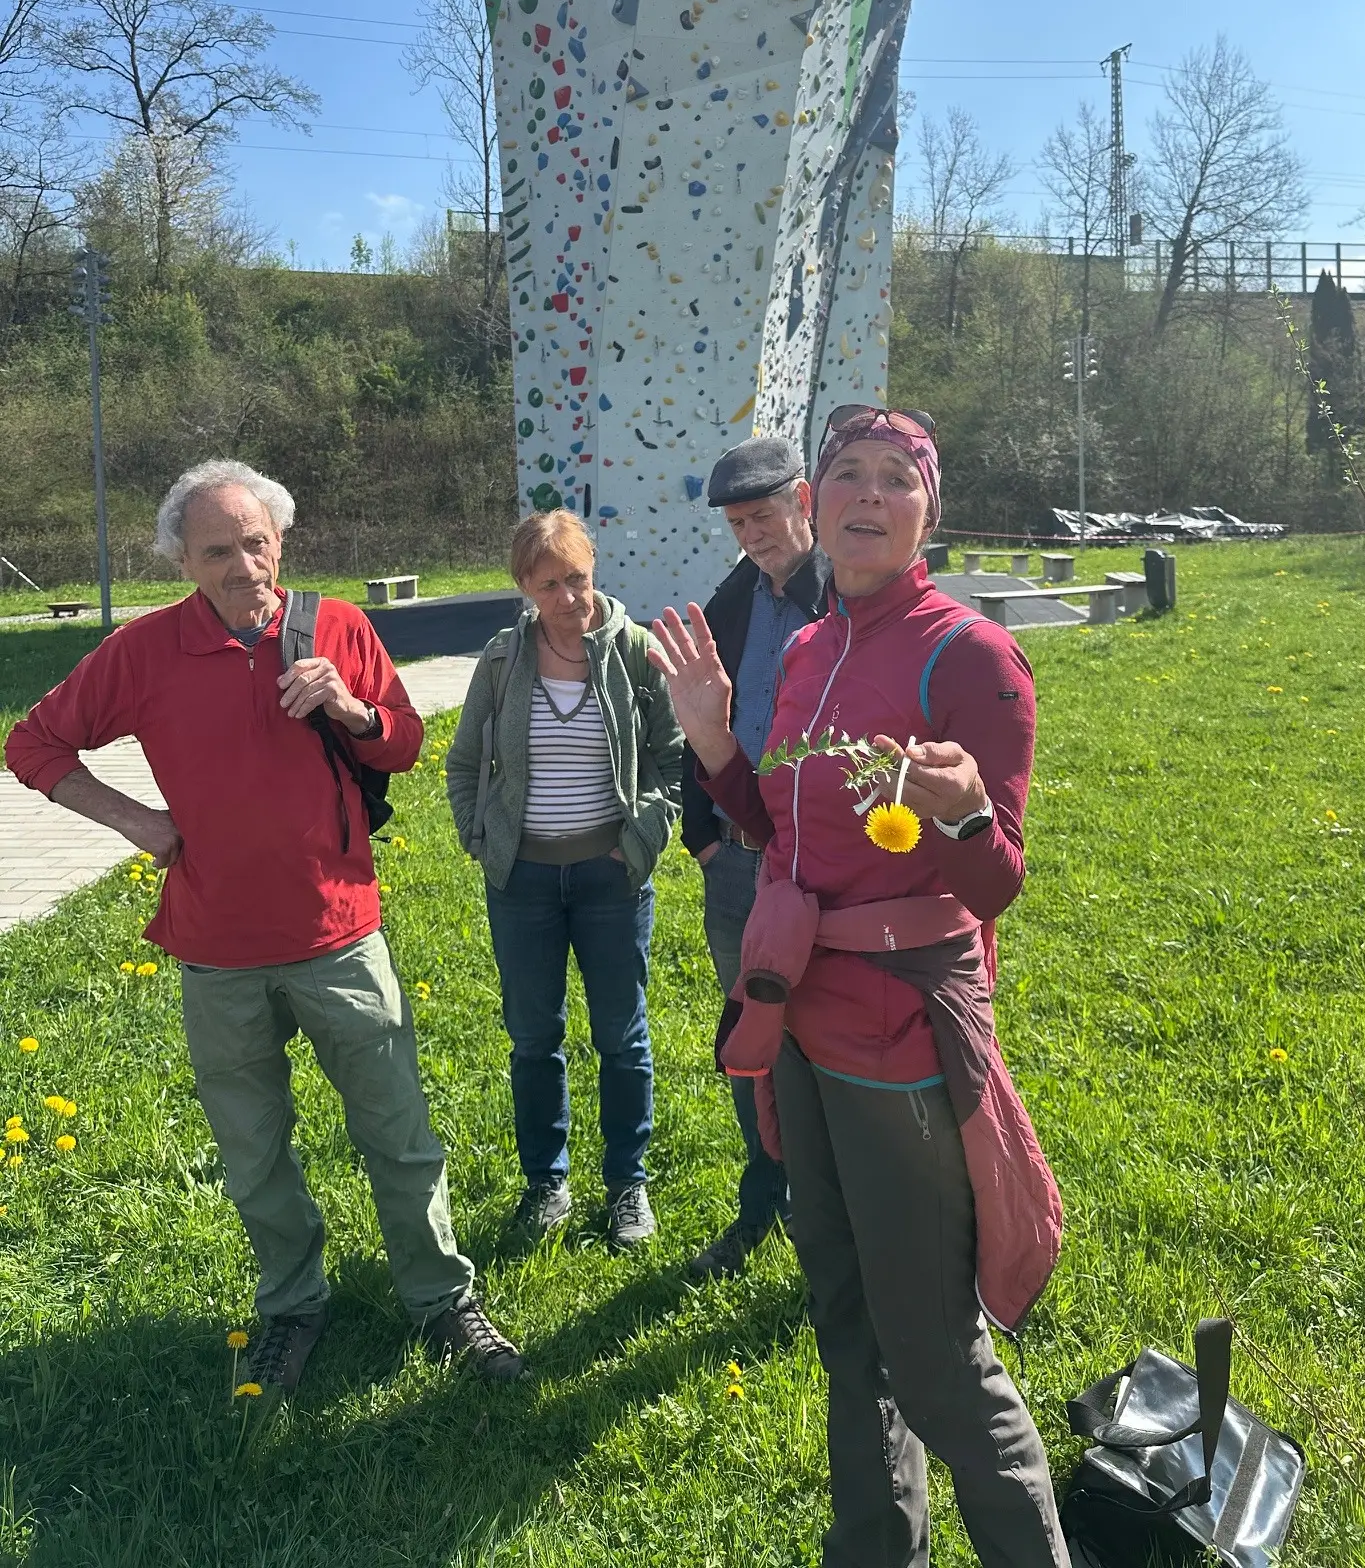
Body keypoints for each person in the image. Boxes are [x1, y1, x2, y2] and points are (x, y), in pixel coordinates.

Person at [650, 408, 1070, 1568]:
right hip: (798, 1015)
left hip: (900, 1031)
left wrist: (965, 813)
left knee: (936, 1357)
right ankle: (875, 1549)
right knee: (843, 1315)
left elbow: (997, 883)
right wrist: (712, 745)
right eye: (849, 476)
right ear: (813, 501)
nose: (869, 497)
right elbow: (773, 832)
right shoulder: (802, 651)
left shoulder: (970, 656)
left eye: (897, 480)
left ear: (929, 509)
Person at [3, 459, 522, 1392]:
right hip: (216, 948)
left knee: (399, 1135)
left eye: (256, 543)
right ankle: (291, 1305)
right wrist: (136, 822)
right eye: (218, 552)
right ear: (184, 565)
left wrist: (351, 706)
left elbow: (402, 742)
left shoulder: (336, 628)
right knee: (254, 1154)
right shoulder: (146, 651)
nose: (245, 566)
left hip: (340, 935)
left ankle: (442, 1300)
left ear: (279, 540)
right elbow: (32, 741)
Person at [445, 510, 683, 1251]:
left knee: (621, 1034)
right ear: (523, 587)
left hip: (612, 880)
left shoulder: (638, 653)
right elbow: (461, 763)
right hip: (521, 883)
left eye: (576, 578)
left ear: (594, 568)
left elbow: (673, 761)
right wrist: (480, 837)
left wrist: (640, 841)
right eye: (549, 584)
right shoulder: (501, 660)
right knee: (533, 1036)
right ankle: (547, 1180)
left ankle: (627, 1183)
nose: (568, 597)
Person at [682, 437, 830, 1281]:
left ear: (804, 500)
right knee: (750, 1037)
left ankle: (832, 1221)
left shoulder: (846, 597)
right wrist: (703, 836)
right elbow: (693, 716)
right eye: (739, 524)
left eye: (764, 516)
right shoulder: (733, 598)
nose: (753, 536)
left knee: (830, 1040)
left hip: (826, 863)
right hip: (737, 863)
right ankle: (762, 1202)